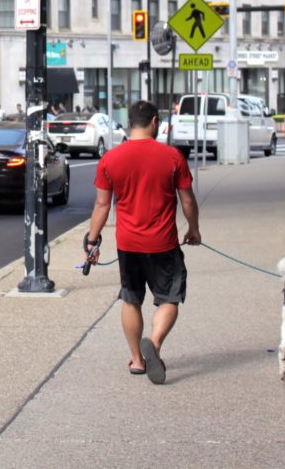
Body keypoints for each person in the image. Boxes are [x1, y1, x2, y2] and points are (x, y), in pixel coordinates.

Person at [84, 100, 201, 385]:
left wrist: (92, 240)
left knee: (131, 299)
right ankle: (156, 343)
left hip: (128, 244)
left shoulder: (110, 159)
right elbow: (187, 200)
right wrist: (194, 230)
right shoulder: (172, 157)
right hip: (163, 243)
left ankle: (137, 359)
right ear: (154, 123)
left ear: (129, 123)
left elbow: (102, 205)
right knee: (169, 298)